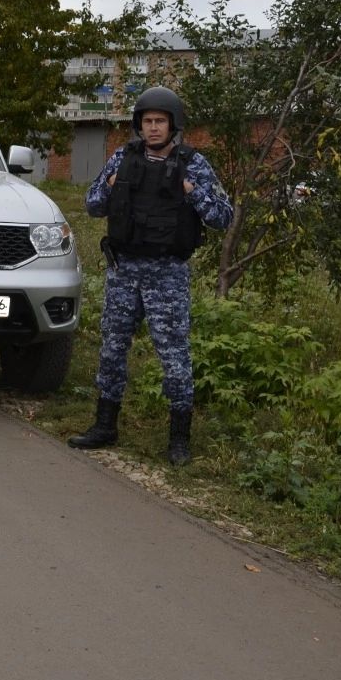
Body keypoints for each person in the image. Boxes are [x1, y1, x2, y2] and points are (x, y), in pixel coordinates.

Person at [68, 86, 232, 465]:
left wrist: (192, 193)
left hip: (167, 274)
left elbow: (223, 217)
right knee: (112, 349)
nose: (153, 128)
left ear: (173, 126)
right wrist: (109, 187)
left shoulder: (193, 164)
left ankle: (179, 440)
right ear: (138, 125)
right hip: (124, 270)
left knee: (174, 356)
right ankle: (104, 424)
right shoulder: (122, 158)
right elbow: (92, 206)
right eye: (147, 121)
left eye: (160, 121)